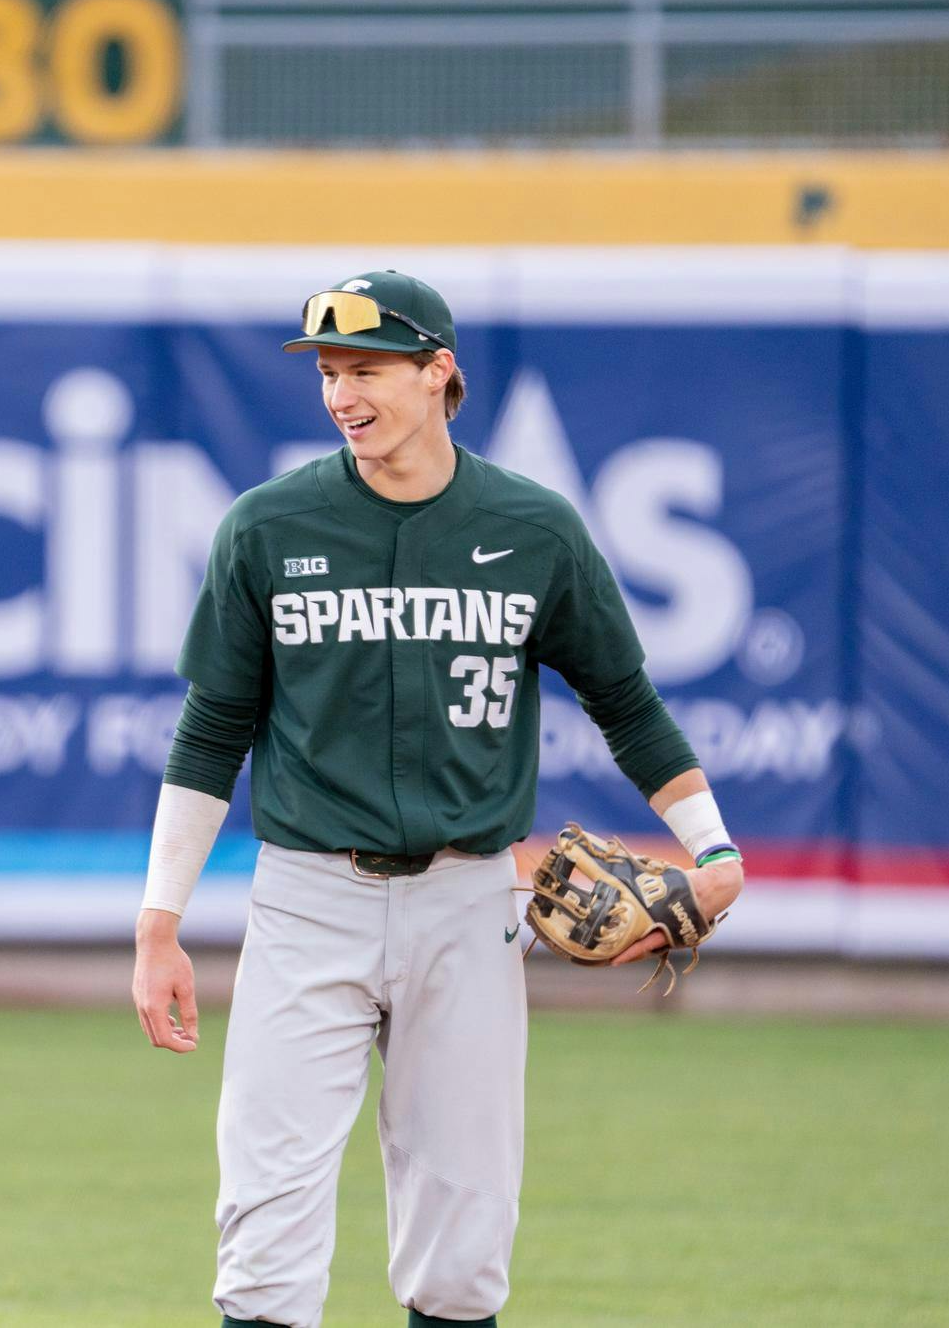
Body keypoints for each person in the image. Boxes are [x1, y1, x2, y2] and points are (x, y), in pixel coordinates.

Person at [130, 271, 745, 1328]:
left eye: (364, 369)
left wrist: (713, 847)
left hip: (468, 901)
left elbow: (624, 702)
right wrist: (158, 924)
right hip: (305, 900)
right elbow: (209, 730)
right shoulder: (266, 528)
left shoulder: (531, 528)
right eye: (327, 373)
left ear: (437, 371)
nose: (339, 395)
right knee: (263, 1240)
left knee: (460, 1250)